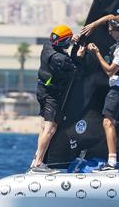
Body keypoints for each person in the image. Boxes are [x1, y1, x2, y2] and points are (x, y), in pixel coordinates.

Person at [82, 14, 119, 171]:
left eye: (111, 30)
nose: (109, 32)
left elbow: (110, 71)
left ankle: (111, 163)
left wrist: (96, 53)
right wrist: (93, 25)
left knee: (108, 122)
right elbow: (111, 16)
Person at [29, 25, 83, 173]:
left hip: (41, 91)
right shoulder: (60, 59)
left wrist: (72, 40)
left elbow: (61, 44)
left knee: (44, 127)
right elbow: (76, 72)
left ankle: (37, 159)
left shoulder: (47, 46)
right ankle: (38, 164)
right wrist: (79, 54)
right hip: (51, 96)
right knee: (50, 128)